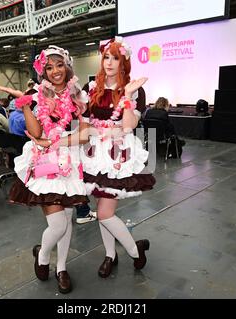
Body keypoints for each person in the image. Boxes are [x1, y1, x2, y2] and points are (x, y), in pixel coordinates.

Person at [3, 45, 89, 294]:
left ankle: (61, 267)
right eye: (49, 67)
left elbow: (84, 135)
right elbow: (37, 133)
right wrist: (25, 104)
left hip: (70, 158)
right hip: (43, 162)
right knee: (58, 224)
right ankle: (42, 256)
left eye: (59, 65)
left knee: (67, 220)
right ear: (43, 71)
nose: (55, 72)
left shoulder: (78, 95)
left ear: (67, 65)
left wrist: (57, 141)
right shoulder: (39, 93)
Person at [81, 37, 155, 278]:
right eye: (106, 57)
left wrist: (129, 96)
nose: (109, 62)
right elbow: (83, 120)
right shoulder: (91, 89)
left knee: (104, 212)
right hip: (94, 154)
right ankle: (110, 254)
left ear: (124, 62)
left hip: (118, 154)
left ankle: (135, 250)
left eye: (115, 57)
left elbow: (129, 125)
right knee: (102, 206)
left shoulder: (134, 89)